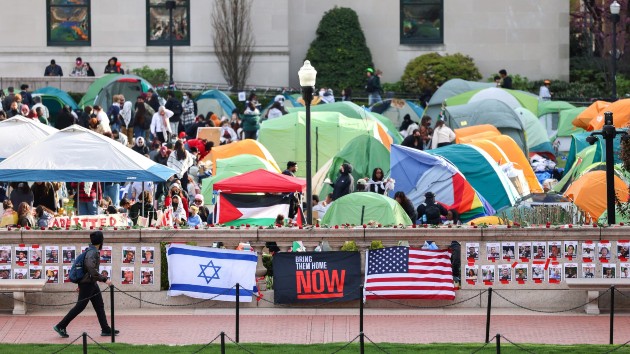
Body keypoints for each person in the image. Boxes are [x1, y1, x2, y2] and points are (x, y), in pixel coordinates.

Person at [54, 231, 119, 338]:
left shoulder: (91, 251)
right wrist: (104, 279)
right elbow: (90, 268)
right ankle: (61, 325)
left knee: (99, 306)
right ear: (101, 241)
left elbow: (85, 269)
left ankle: (105, 329)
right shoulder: (92, 252)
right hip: (88, 284)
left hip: (90, 283)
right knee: (80, 307)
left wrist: (81, 283)